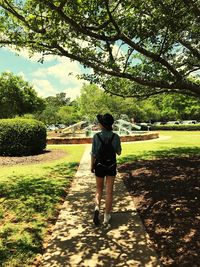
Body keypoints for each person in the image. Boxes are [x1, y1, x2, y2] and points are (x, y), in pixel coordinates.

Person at [91, 113, 122, 226]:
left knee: (99, 189)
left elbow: (93, 154)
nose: (98, 124)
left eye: (99, 122)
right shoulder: (115, 136)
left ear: (102, 125)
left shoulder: (96, 137)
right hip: (111, 166)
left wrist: (91, 166)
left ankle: (96, 208)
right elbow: (119, 152)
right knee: (109, 191)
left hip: (99, 165)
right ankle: (106, 216)